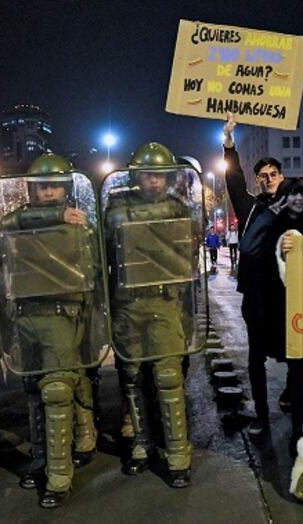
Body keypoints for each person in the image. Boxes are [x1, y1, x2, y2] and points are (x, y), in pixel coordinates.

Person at [0, 153, 99, 508]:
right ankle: (44, 457)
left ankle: (58, 474)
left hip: (63, 315)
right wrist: (53, 216)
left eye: (54, 186)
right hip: (25, 318)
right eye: (41, 187)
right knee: (35, 391)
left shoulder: (80, 224)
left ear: (66, 188)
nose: (48, 192)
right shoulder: (19, 222)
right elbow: (2, 227)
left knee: (56, 391)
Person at [103, 142, 197, 488]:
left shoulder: (179, 208)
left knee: (168, 377)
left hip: (165, 303)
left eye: (159, 176)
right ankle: (141, 445)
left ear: (168, 178)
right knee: (131, 377)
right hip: (129, 304)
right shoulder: (117, 206)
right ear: (136, 176)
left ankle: (177, 455)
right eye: (147, 175)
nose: (153, 182)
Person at [223, 112, 291, 431]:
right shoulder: (251, 209)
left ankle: (294, 402)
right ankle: (262, 415)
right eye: (262, 175)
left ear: (281, 176)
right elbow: (234, 179)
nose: (267, 179)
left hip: (289, 295)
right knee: (256, 357)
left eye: (273, 173)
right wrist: (229, 142)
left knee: (296, 354)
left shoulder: (296, 208)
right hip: (257, 295)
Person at [238, 179, 303, 444]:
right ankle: (261, 415)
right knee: (257, 361)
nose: (297, 199)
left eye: (301, 194)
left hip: (299, 308)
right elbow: (248, 247)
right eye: (290, 194)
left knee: (299, 366)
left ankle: (299, 423)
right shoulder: (269, 221)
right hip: (266, 307)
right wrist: (273, 219)